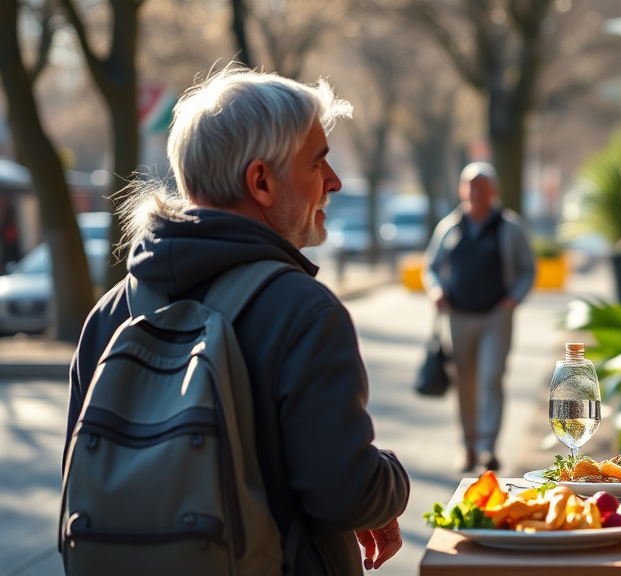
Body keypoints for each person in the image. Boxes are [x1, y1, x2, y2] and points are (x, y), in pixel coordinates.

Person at [64, 66, 409, 574]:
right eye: (318, 163)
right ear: (261, 182)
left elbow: (83, 480)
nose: (334, 181)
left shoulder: (109, 315)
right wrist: (388, 482)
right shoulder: (304, 312)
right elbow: (345, 495)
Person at [423, 162, 536, 473]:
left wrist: (514, 298)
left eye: (481, 187)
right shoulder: (449, 226)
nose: (475, 193)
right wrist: (435, 290)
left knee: (490, 377)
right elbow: (431, 267)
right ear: (462, 191)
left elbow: (528, 269)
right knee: (465, 383)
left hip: (495, 316)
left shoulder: (509, 227)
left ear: (493, 191)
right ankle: (468, 446)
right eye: (470, 186)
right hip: (457, 317)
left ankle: (488, 448)